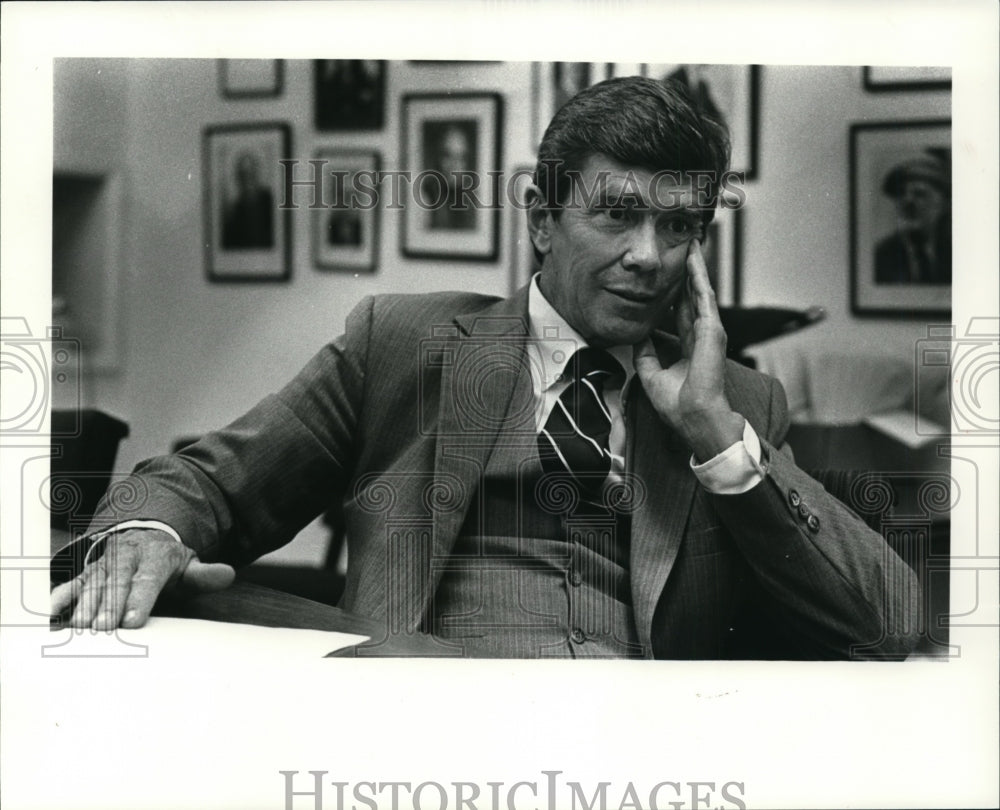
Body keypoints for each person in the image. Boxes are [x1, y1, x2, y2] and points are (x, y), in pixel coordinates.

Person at [51, 77, 919, 659]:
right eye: (617, 215)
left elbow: (891, 619)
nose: (649, 256)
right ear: (543, 219)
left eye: (680, 226)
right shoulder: (402, 343)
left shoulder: (736, 403)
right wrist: (143, 534)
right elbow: (211, 485)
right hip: (418, 745)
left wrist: (717, 440)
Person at [874, 153, 951, 285]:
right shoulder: (880, 257)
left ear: (943, 204)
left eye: (920, 194)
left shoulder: (958, 254)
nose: (907, 201)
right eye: (901, 194)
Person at [221, 150, 274, 250]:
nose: (247, 179)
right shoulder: (235, 210)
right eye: (243, 174)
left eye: (250, 173)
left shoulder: (269, 201)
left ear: (256, 174)